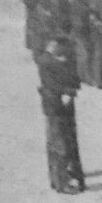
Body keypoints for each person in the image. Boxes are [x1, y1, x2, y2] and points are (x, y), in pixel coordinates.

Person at [37, 38, 86, 193]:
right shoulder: (49, 61)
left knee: (58, 142)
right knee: (59, 144)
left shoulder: (50, 59)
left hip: (56, 104)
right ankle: (62, 182)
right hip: (56, 105)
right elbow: (67, 80)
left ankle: (57, 179)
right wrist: (69, 90)